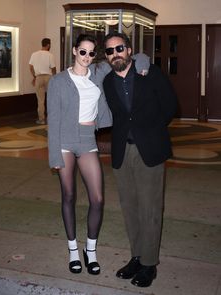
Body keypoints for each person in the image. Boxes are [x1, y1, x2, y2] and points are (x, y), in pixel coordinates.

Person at [47, 34, 150, 275]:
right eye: (82, 52)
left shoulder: (98, 72)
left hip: (87, 139)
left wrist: (143, 66)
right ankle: (73, 249)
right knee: (69, 195)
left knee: (98, 199)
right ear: (74, 51)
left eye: (92, 53)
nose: (87, 57)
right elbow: (53, 119)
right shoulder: (58, 81)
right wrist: (54, 155)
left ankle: (90, 250)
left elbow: (137, 56)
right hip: (64, 139)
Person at [103, 32, 177, 287]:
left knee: (150, 209)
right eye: (110, 51)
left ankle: (149, 263)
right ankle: (136, 255)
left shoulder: (150, 73)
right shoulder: (107, 81)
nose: (116, 54)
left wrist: (152, 131)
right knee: (130, 208)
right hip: (122, 152)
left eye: (120, 48)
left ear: (129, 50)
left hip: (150, 149)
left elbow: (170, 106)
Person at [29, 38, 56, 125]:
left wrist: (35, 77)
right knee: (51, 99)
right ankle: (51, 119)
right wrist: (54, 77)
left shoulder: (34, 54)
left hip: (38, 78)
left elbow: (31, 67)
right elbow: (53, 68)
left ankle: (41, 119)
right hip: (48, 77)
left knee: (40, 100)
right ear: (48, 45)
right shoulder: (50, 55)